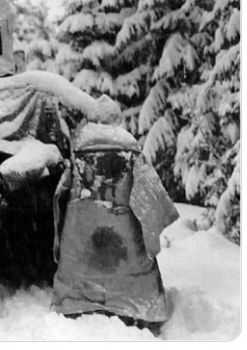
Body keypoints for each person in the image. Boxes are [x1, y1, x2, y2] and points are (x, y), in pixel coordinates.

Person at [52, 122, 178, 330]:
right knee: (135, 267)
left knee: (77, 264)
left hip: (82, 249)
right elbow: (152, 202)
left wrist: (59, 244)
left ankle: (75, 303)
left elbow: (59, 199)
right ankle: (139, 306)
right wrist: (152, 240)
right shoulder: (131, 154)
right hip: (127, 249)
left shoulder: (78, 156)